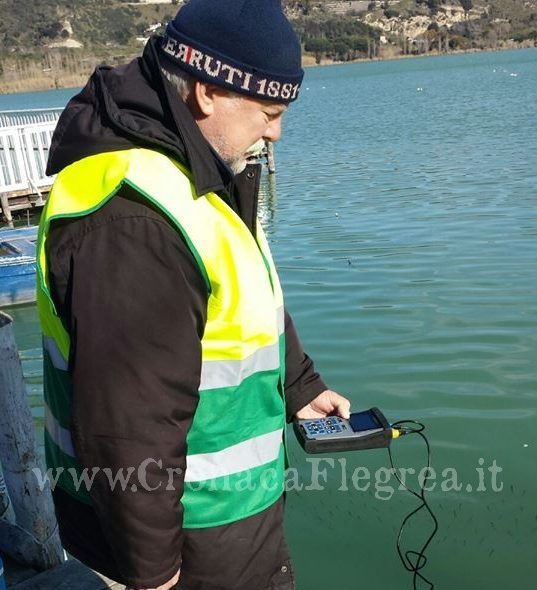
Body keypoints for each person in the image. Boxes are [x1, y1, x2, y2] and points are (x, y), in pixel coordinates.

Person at [37, 1, 351, 589]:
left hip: (225, 531)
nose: (275, 131)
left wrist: (300, 388)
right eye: (268, 111)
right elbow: (128, 427)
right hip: (188, 550)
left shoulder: (191, 166)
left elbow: (242, 301)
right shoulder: (135, 220)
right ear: (207, 93)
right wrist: (155, 575)